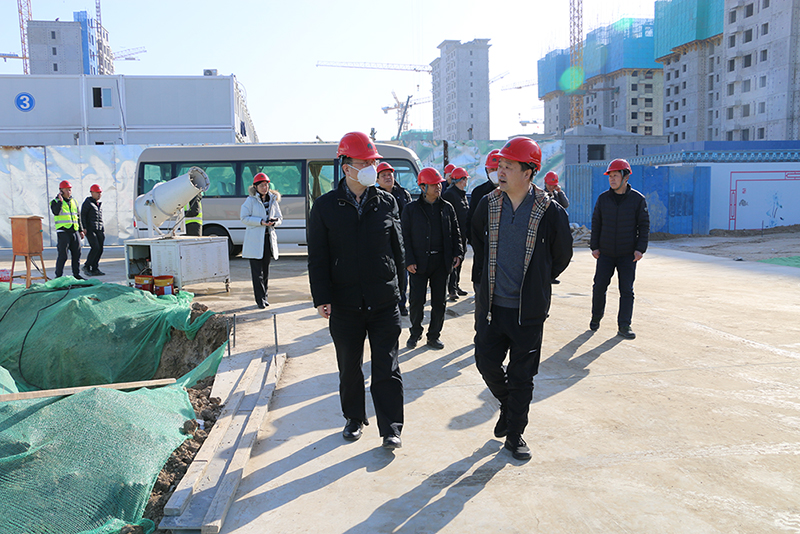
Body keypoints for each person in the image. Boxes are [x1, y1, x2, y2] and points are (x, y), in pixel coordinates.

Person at [471, 137, 573, 460]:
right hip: (492, 306)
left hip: (527, 311)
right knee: (486, 362)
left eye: (508, 166)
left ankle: (515, 434)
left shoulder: (550, 212)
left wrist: (538, 281)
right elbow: (478, 243)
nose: (500, 171)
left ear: (528, 172)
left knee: (522, 376)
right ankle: (508, 404)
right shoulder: (488, 205)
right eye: (500, 165)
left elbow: (562, 255)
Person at [307, 131, 405, 450]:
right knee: (349, 367)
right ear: (346, 166)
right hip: (345, 304)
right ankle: (354, 418)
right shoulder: (325, 207)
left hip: (383, 301)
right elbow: (318, 257)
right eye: (365, 163)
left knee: (386, 367)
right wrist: (322, 297)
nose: (371, 169)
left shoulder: (387, 202)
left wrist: (401, 293)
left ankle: (391, 428)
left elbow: (398, 250)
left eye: (373, 163)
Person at [402, 168, 462, 350]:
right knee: (416, 302)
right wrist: (409, 260)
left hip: (441, 263)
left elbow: (456, 232)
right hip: (418, 263)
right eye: (434, 185)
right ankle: (415, 333)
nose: (438, 187)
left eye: (439, 184)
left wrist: (458, 253)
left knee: (439, 302)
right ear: (423, 187)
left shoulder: (447, 208)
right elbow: (405, 237)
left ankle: (434, 335)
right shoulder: (411, 209)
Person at [589, 158, 650, 340]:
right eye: (610, 176)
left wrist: (640, 249)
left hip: (627, 255)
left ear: (626, 177)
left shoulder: (637, 200)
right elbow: (596, 223)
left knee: (626, 290)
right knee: (599, 287)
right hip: (606, 253)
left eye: (615, 175)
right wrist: (595, 246)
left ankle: (624, 325)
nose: (612, 179)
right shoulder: (603, 199)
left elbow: (644, 226)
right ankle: (596, 317)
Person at [376, 161, 413, 316]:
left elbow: (411, 218)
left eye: (390, 174)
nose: (387, 177)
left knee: (403, 275)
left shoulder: (403, 194)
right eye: (383, 175)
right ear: (377, 180)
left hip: (402, 241)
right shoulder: (374, 196)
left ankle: (401, 304)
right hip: (383, 243)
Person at [241, 173, 282, 309]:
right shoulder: (250, 200)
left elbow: (280, 218)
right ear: (256, 187)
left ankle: (265, 297)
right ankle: (259, 299)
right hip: (254, 241)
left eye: (266, 185)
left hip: (268, 239)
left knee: (265, 270)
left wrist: (274, 222)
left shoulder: (273, 200)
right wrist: (260, 222)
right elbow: (244, 218)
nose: (265, 188)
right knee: (257, 272)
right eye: (262, 185)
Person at [468, 149, 501, 292]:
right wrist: (477, 245)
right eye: (491, 169)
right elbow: (471, 223)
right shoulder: (479, 193)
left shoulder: (514, 193)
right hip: (482, 251)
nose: (495, 173)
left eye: (497, 169)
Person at [442, 166, 469, 301]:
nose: (466, 182)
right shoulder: (450, 194)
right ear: (461, 180)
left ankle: (456, 285)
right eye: (465, 179)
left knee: (460, 260)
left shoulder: (461, 194)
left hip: (463, 234)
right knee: (454, 261)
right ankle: (451, 288)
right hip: (453, 235)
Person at [50, 180, 85, 280]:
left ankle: (76, 274)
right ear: (61, 191)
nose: (68, 192)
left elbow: (78, 216)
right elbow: (56, 212)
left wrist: (81, 230)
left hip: (74, 231)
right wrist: (60, 201)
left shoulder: (74, 201)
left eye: (70, 190)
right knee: (63, 255)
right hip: (63, 231)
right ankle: (58, 275)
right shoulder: (55, 202)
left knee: (77, 254)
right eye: (66, 190)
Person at [80, 184, 105, 276]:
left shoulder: (98, 204)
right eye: (97, 193)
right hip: (91, 229)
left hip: (99, 229)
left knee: (100, 249)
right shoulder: (88, 203)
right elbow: (83, 216)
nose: (99, 194)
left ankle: (95, 267)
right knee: (95, 247)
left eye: (100, 193)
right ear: (92, 193)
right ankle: (87, 266)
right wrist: (84, 228)